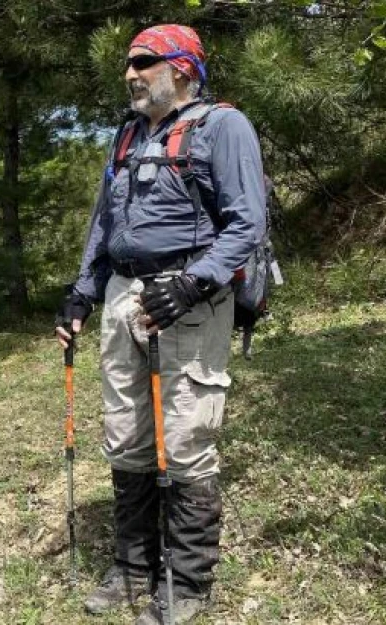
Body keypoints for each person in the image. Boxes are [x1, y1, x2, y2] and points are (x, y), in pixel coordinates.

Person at [55, 24, 266, 625]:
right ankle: (132, 565)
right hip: (124, 294)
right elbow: (104, 223)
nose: (131, 73)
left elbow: (246, 222)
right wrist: (81, 293)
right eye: (129, 63)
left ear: (182, 69)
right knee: (125, 434)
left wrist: (195, 282)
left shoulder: (224, 126)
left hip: (189, 298)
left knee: (185, 437)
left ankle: (187, 579)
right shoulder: (125, 136)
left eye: (144, 62)